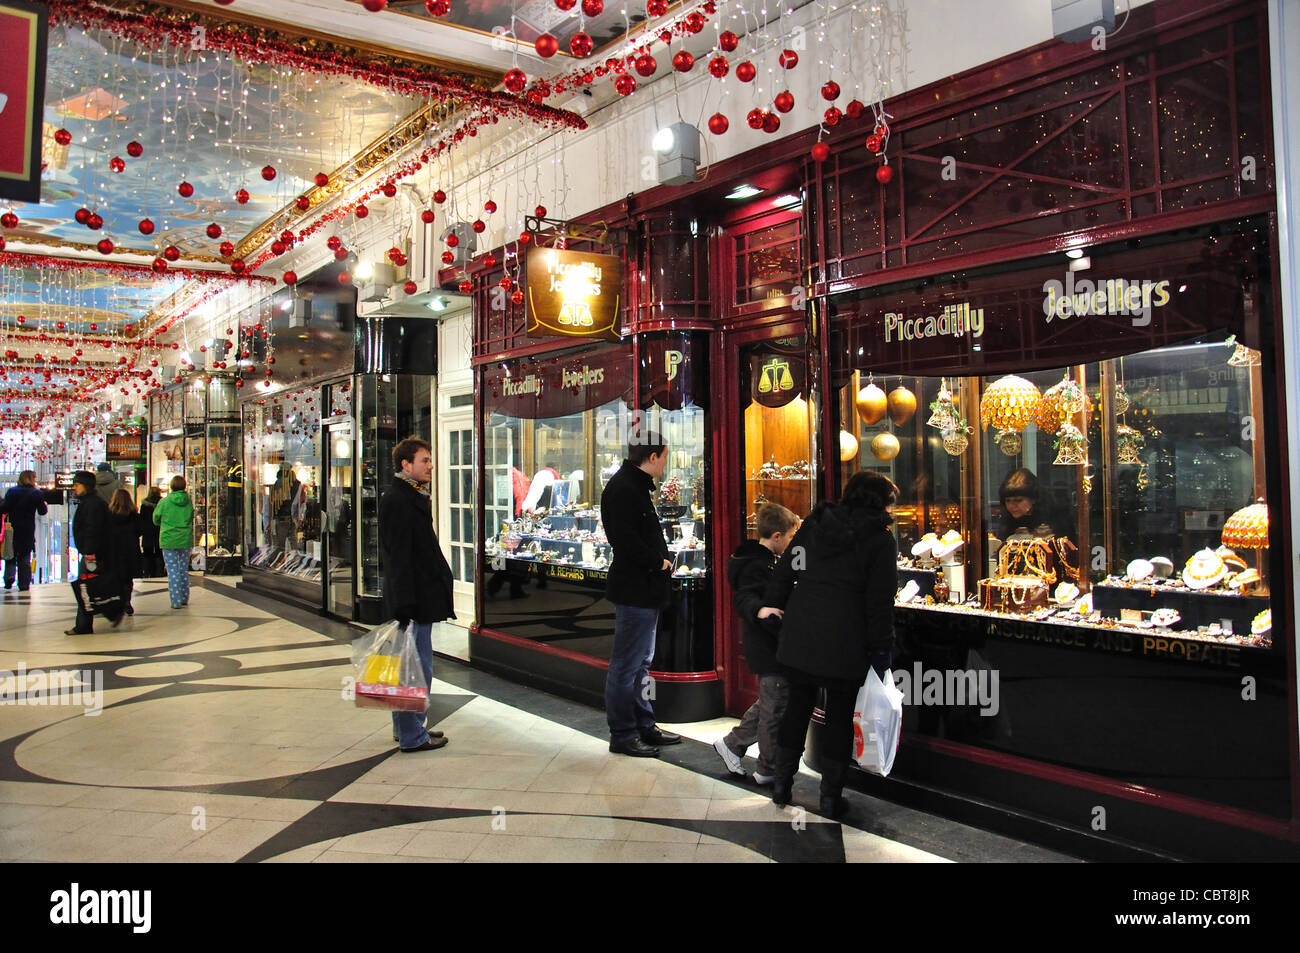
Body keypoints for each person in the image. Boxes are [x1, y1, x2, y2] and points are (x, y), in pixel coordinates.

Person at [762, 470, 899, 819]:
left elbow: (786, 571)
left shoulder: (813, 526)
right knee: (839, 717)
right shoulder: (880, 539)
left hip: (802, 633)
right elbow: (878, 602)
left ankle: (781, 785)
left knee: (797, 706)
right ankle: (829, 796)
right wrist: (881, 649)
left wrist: (774, 607)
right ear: (880, 503)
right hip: (846, 639)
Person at [599, 430, 680, 757]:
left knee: (641, 663)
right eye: (664, 455)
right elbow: (625, 541)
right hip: (635, 590)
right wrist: (658, 562)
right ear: (652, 457)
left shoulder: (635, 486)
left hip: (646, 591)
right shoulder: (623, 489)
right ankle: (623, 733)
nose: (665, 462)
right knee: (626, 665)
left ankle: (644, 724)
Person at [713, 502, 801, 784]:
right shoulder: (756, 565)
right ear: (777, 536)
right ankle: (767, 768)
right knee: (774, 708)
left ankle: (732, 744)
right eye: (789, 537)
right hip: (767, 645)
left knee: (771, 700)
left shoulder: (767, 561)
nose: (791, 543)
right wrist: (760, 611)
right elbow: (746, 597)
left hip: (774, 642)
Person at [379, 436, 455, 753]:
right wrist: (405, 603)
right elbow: (398, 556)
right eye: (424, 460)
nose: (430, 465)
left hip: (415, 597)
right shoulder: (399, 500)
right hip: (412, 601)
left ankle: (406, 729)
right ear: (405, 465)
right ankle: (412, 736)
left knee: (407, 665)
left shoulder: (410, 496)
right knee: (416, 668)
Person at [67, 471, 119, 635]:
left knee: (85, 588)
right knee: (88, 587)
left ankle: (86, 624)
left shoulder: (93, 504)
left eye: (77, 485)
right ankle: (95, 619)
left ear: (86, 486)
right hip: (92, 552)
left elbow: (92, 529)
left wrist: (89, 552)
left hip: (92, 554)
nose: (75, 488)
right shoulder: (90, 502)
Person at [2, 470, 48, 591]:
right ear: (32, 478)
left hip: (12, 528)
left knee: (11, 553)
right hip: (27, 529)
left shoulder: (12, 491)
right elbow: (42, 511)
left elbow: (4, 508)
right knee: (24, 556)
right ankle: (23, 584)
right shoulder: (36, 493)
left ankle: (8, 579)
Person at [994, 467, 1069, 540]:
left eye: (1018, 500)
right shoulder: (1006, 521)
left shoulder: (1055, 519)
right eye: (1008, 500)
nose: (1011, 506)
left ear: (1033, 499)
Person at [153, 475, 194, 609]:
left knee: (172, 570)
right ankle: (184, 597)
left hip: (168, 539)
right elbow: (191, 517)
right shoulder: (188, 501)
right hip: (185, 538)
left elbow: (156, 518)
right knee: (183, 569)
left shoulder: (165, 502)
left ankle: (175, 600)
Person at [108, 488, 142, 616]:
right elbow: (139, 530)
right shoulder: (134, 515)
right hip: (131, 549)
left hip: (114, 550)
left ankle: (118, 602)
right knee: (128, 578)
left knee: (116, 577)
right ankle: (127, 600)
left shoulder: (109, 514)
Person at [138, 487, 163, 578]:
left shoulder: (144, 505)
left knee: (147, 553)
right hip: (159, 530)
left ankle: (147, 571)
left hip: (147, 531)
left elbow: (141, 518)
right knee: (159, 552)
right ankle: (159, 571)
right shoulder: (162, 503)